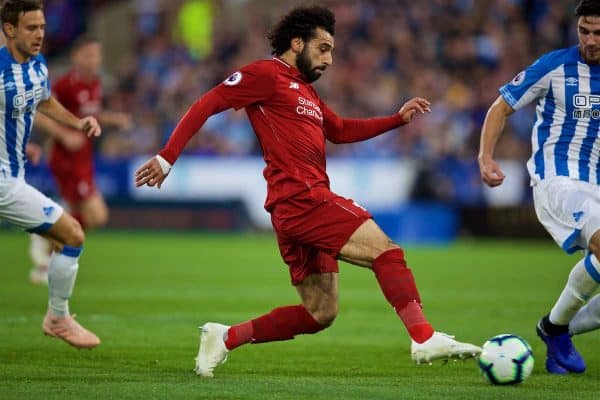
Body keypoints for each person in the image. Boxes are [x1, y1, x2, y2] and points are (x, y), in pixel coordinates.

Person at [136, 5, 481, 378]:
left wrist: (396, 120)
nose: (329, 59)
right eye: (323, 48)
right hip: (302, 199)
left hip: (294, 209)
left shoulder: (308, 95)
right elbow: (207, 104)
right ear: (296, 43)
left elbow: (341, 129)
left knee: (320, 312)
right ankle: (423, 336)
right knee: (385, 251)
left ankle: (225, 338)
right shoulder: (265, 74)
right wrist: (167, 158)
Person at [478, 0, 600, 375]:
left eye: (598, 33)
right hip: (557, 181)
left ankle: (555, 328)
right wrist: (485, 158)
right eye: (584, 31)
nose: (590, 40)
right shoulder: (555, 66)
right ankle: (557, 329)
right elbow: (501, 107)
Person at [0, 0, 100, 348]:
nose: (40, 34)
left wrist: (77, 121)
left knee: (70, 234)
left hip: (12, 175)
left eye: (42, 27)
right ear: (9, 30)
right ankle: (58, 318)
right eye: (31, 27)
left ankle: (58, 317)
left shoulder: (38, 65)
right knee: (72, 234)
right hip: (3, 181)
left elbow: (42, 100)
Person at [28, 34, 132, 285]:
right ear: (76, 56)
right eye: (88, 55)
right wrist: (63, 135)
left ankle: (48, 249)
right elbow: (39, 112)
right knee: (96, 216)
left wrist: (112, 119)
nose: (94, 60)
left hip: (84, 157)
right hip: (66, 159)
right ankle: (46, 236)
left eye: (97, 55)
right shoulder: (65, 85)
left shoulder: (95, 84)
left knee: (82, 217)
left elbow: (89, 114)